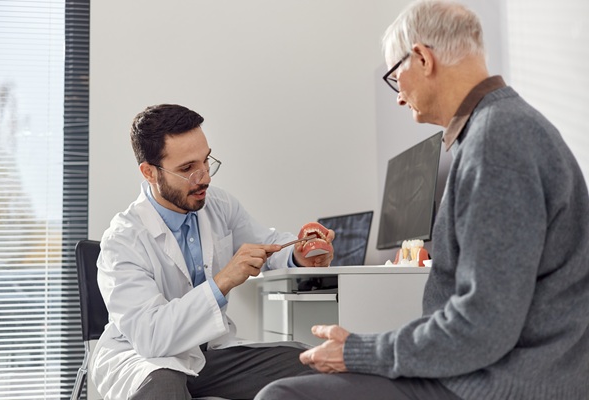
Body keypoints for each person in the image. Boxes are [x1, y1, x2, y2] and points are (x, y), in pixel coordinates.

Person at [255, 1, 589, 399]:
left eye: (395, 77)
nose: (398, 97)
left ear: (423, 58)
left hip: (501, 383)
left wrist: (360, 351)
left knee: (281, 395)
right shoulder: (501, 130)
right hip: (491, 371)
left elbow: (483, 327)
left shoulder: (497, 143)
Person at [91, 103, 335, 400]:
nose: (204, 177)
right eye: (187, 169)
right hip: (144, 358)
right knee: (164, 386)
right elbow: (151, 338)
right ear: (149, 173)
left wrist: (300, 254)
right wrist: (221, 282)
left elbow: (268, 243)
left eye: (206, 161)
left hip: (209, 354)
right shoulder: (122, 240)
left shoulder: (218, 205)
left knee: (312, 365)